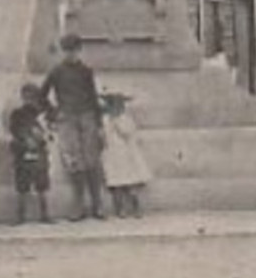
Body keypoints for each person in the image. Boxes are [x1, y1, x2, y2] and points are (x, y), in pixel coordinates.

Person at [41, 34, 107, 221]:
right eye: (67, 50)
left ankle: (97, 204)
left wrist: (99, 123)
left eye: (74, 50)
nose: (71, 54)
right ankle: (78, 204)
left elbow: (93, 97)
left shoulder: (86, 71)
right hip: (67, 118)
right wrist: (53, 113)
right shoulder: (56, 72)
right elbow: (42, 95)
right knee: (74, 162)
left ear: (79, 50)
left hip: (87, 116)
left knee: (92, 161)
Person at [8, 83, 54, 225]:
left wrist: (41, 136)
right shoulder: (17, 114)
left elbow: (50, 129)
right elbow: (14, 130)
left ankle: (45, 214)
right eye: (26, 96)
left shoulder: (43, 114)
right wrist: (26, 139)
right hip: (23, 150)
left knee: (42, 183)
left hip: (39, 150)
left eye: (32, 96)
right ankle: (20, 215)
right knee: (22, 184)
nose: (29, 99)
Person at [100, 93, 151, 218]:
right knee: (116, 184)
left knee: (131, 183)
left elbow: (128, 133)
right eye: (112, 105)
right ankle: (120, 209)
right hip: (112, 154)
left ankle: (136, 208)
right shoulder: (105, 120)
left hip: (126, 153)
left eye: (118, 105)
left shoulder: (125, 119)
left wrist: (117, 123)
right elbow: (103, 136)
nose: (115, 109)